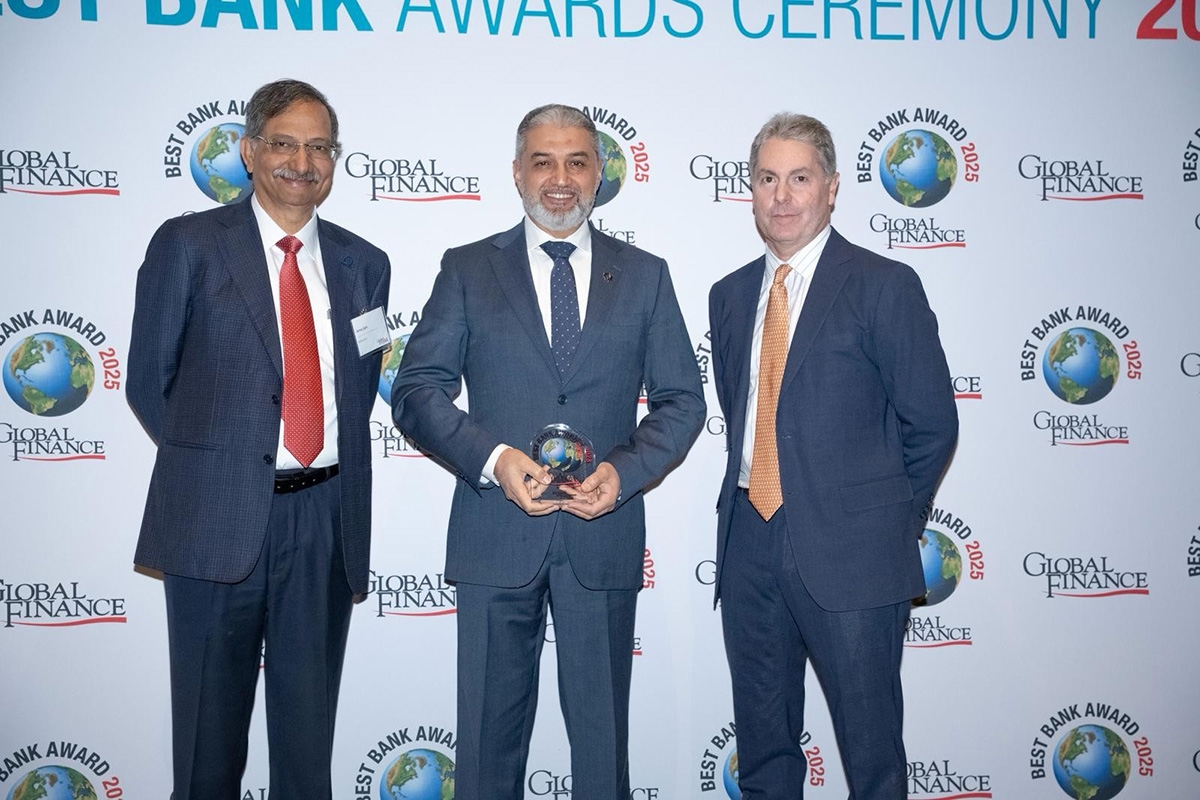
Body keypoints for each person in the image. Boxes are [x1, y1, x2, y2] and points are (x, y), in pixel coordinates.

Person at [392, 103, 704, 799]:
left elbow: (683, 400)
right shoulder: (468, 269)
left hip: (602, 536)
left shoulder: (645, 274)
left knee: (602, 750)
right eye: (542, 161)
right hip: (494, 535)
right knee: (485, 750)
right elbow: (415, 391)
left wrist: (623, 472)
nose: (559, 178)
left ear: (599, 173)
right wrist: (494, 459)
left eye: (576, 162)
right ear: (516, 173)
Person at [128, 79, 390, 799]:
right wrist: (224, 468)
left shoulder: (365, 263)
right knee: (206, 754)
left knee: (307, 755)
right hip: (216, 519)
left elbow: (360, 384)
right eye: (284, 144)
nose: (302, 162)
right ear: (249, 151)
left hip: (325, 521)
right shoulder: (189, 244)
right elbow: (148, 382)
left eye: (319, 147)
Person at [708, 113, 958, 799]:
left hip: (854, 554)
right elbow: (744, 414)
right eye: (767, 179)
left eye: (799, 178)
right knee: (764, 755)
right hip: (748, 543)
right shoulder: (729, 296)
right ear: (751, 191)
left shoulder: (884, 284)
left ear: (832, 187)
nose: (782, 196)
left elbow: (932, 425)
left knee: (871, 759)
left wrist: (884, 526)